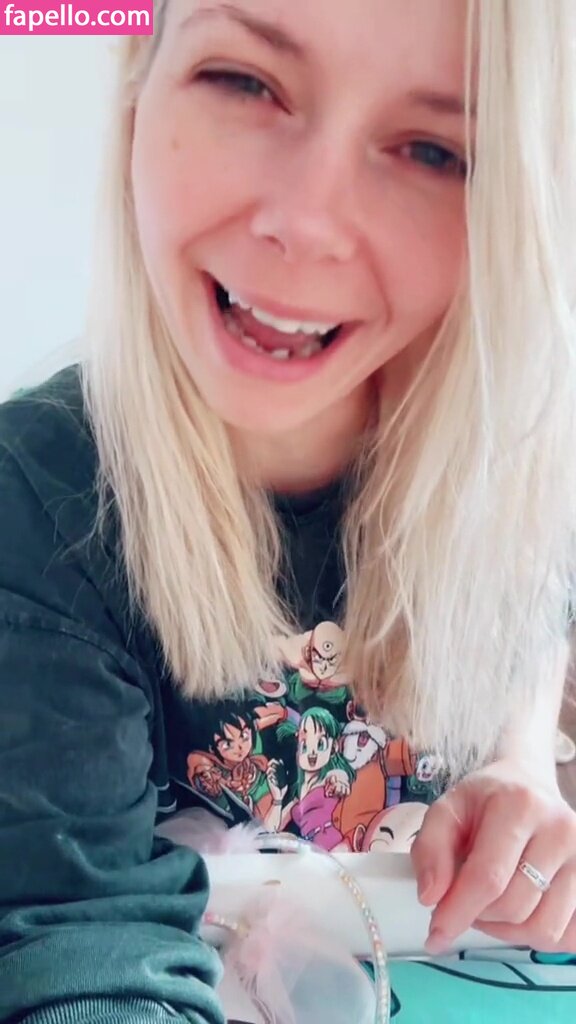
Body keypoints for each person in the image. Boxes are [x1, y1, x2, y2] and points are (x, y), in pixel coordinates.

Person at [1, 1, 576, 1021]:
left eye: (435, 150)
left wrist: (518, 761)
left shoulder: (526, 450)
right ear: (140, 78)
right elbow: (80, 940)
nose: (305, 222)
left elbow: (535, 592)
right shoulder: (41, 502)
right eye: (243, 82)